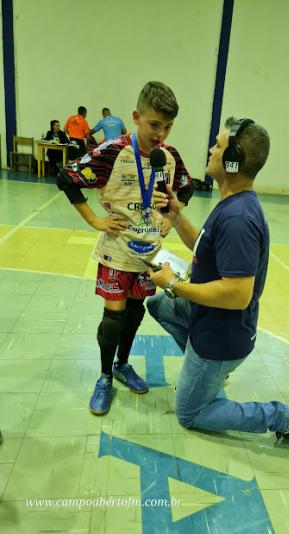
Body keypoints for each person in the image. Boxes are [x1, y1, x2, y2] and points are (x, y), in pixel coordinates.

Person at [147, 117, 289, 442]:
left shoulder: (238, 218)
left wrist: (174, 284)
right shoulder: (232, 205)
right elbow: (205, 249)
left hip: (221, 336)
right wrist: (177, 216)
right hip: (207, 319)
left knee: (189, 413)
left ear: (232, 160)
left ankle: (282, 417)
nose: (211, 149)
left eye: (218, 146)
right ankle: (205, 377)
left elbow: (237, 294)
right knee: (159, 306)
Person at [57, 81, 193, 416]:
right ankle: (104, 376)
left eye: (168, 126)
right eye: (154, 125)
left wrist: (170, 218)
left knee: (134, 315)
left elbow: (187, 187)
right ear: (136, 117)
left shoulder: (170, 158)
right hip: (117, 251)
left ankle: (122, 364)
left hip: (148, 254)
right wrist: (94, 220)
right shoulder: (114, 151)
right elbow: (67, 177)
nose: (161, 134)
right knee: (113, 318)